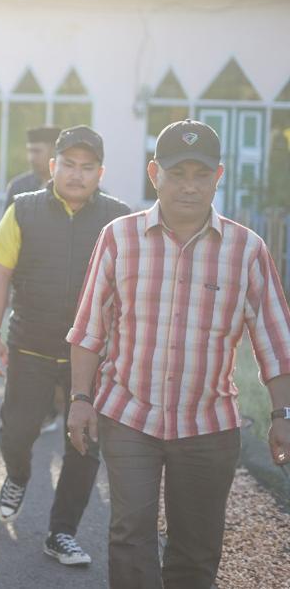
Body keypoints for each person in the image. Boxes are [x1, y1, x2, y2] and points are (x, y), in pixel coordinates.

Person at [67, 120, 290, 588]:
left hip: (208, 423)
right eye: (177, 173)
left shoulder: (247, 250)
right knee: (130, 535)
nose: (189, 185)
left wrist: (282, 412)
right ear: (155, 173)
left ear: (218, 177)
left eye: (201, 174)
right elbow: (89, 329)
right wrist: (80, 399)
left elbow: (275, 341)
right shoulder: (119, 238)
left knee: (196, 545)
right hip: (129, 415)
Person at [0, 126, 129, 566]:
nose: (77, 175)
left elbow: (128, 287)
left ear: (100, 172)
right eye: (69, 165)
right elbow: (1, 274)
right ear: (53, 167)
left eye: (87, 168)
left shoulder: (118, 217)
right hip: (30, 344)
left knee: (84, 444)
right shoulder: (24, 209)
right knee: (17, 431)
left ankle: (61, 532)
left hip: (92, 355)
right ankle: (18, 475)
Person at [4, 125, 58, 209]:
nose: (31, 158)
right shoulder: (18, 188)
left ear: (53, 151)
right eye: (29, 151)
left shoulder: (67, 187)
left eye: (37, 151)